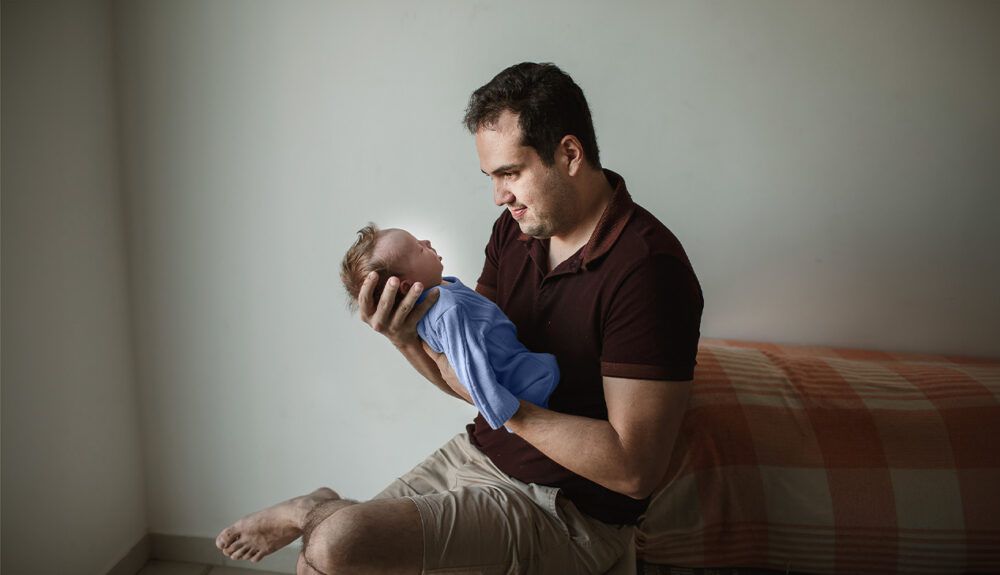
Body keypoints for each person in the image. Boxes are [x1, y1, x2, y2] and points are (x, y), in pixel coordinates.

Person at [215, 62, 703, 575]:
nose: (499, 196)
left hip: (565, 510)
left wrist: (505, 407)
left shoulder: (648, 270)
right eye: (491, 178)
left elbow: (634, 471)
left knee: (336, 542)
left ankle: (310, 508)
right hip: (478, 452)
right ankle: (320, 513)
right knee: (320, 564)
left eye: (510, 174)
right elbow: (467, 376)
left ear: (569, 154)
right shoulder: (514, 232)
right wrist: (405, 341)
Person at [338, 223, 560, 430]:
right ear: (407, 286)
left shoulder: (441, 293)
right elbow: (467, 363)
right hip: (527, 383)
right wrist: (501, 411)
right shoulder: (446, 310)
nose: (426, 242)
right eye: (419, 249)